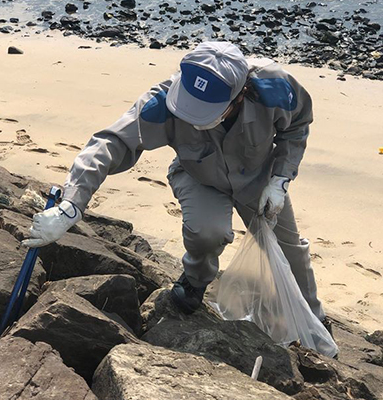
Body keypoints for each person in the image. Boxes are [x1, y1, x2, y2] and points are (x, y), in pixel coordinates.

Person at [22, 41, 331, 332]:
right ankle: (195, 281)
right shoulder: (163, 101)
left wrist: (280, 178)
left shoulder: (275, 87)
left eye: (206, 113)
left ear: (239, 96)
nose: (194, 120)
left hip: (259, 178)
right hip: (199, 176)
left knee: (289, 251)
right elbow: (110, 143)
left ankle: (313, 320)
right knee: (206, 233)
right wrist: (71, 205)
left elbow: (297, 126)